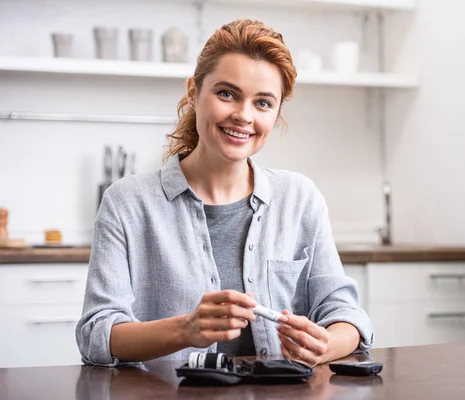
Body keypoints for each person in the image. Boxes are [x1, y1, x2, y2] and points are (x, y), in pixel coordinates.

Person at [76, 19, 374, 368]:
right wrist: (185, 329)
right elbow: (97, 333)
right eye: (227, 94)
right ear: (193, 91)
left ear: (277, 113)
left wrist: (326, 344)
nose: (243, 116)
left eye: (263, 103)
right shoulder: (127, 203)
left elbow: (345, 313)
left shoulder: (300, 198)